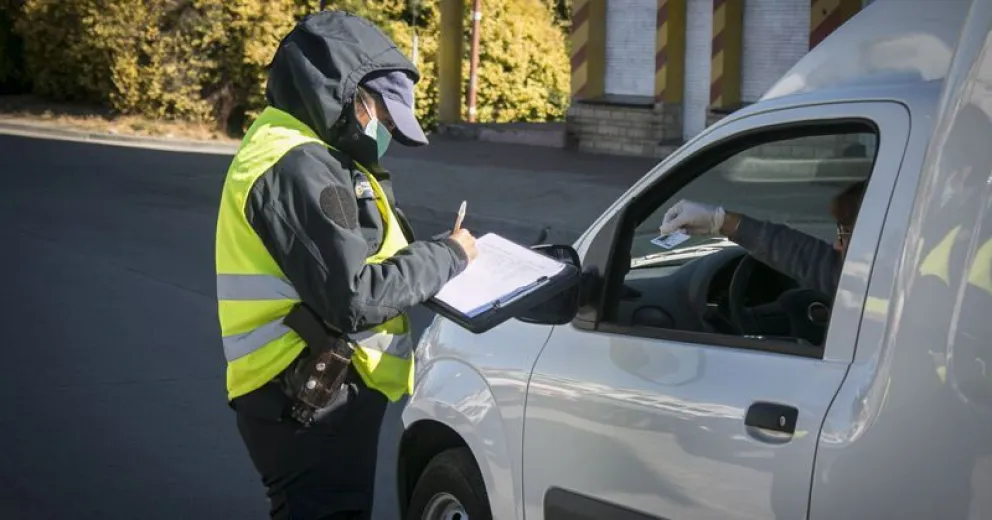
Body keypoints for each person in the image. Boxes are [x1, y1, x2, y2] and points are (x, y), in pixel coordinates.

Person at [214, 11, 477, 520]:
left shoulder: (313, 152)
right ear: (349, 96)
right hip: (305, 400)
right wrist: (452, 255)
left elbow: (367, 260)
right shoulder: (296, 164)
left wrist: (436, 261)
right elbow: (357, 295)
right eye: (383, 117)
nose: (384, 135)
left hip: (312, 394)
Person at [659, 180, 866, 297]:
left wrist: (718, 221)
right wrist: (720, 222)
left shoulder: (874, 294)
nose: (837, 245)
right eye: (839, 231)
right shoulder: (865, 278)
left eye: (846, 233)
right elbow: (813, 261)